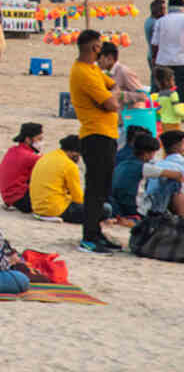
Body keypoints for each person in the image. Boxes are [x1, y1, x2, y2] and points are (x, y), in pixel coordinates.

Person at [68, 29, 121, 253]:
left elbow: (113, 87)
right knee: (95, 189)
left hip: (106, 133)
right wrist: (111, 101)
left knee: (102, 188)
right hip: (95, 134)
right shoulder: (84, 73)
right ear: (95, 48)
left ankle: (96, 232)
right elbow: (111, 103)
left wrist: (112, 97)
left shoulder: (92, 70)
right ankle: (89, 236)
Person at [112, 133, 183, 221]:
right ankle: (181, 219)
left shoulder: (122, 165)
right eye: (153, 153)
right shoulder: (143, 167)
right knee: (174, 183)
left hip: (118, 208)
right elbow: (177, 175)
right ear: (146, 153)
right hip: (136, 210)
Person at [29, 135, 90, 223]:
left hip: (37, 207)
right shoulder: (70, 165)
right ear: (73, 152)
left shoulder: (46, 157)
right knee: (105, 209)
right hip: (56, 209)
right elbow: (78, 198)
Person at [0, 122, 43, 213]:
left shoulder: (13, 150)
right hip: (21, 200)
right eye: (39, 139)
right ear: (28, 139)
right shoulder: (29, 157)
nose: (41, 143)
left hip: (8, 197)